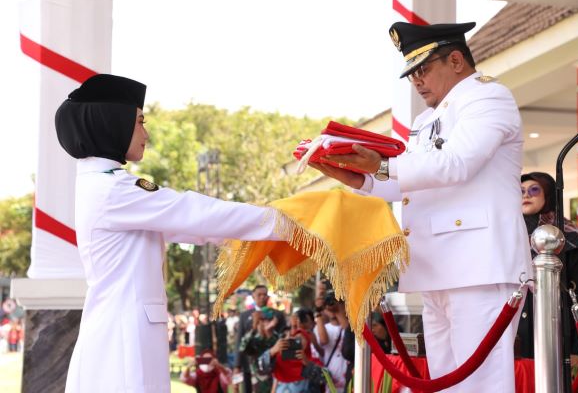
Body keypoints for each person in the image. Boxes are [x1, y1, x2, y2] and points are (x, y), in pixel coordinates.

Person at [310, 22, 532, 392]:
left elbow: (458, 163)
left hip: (479, 265)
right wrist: (359, 179)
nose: (416, 80)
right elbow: (416, 184)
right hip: (438, 264)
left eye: (423, 69)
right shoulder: (425, 120)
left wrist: (379, 166)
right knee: (445, 381)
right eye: (412, 73)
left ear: (457, 59)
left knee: (480, 383)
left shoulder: (488, 97)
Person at [55, 74, 285, 393]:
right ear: (113, 123)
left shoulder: (105, 184)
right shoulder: (113, 189)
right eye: (139, 122)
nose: (145, 133)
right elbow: (193, 212)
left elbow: (190, 225)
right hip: (124, 343)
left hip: (122, 333)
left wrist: (267, 227)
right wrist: (285, 221)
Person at [518, 172, 578, 370]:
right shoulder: (511, 236)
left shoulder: (571, 239)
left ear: (549, 195)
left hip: (560, 340)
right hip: (519, 344)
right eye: (520, 191)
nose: (526, 195)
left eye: (534, 190)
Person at [233, 285, 286, 392]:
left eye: (265, 294)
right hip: (250, 364)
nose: (262, 297)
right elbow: (240, 341)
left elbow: (283, 336)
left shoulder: (277, 315)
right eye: (259, 295)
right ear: (253, 296)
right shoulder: (245, 315)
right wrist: (237, 366)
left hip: (273, 365)